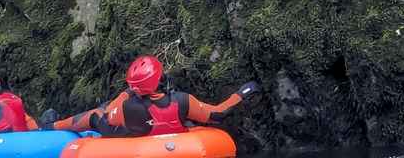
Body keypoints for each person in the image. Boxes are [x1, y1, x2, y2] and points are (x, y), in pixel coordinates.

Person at [47, 56, 259, 137]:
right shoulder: (183, 100)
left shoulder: (127, 107)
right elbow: (217, 114)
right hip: (172, 131)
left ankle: (51, 126)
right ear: (160, 79)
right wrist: (241, 93)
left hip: (135, 135)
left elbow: (109, 116)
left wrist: (126, 93)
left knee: (96, 114)